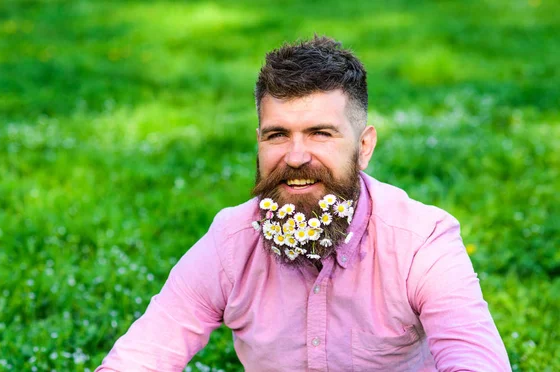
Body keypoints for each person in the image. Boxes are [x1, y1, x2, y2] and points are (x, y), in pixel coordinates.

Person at [96, 36, 511, 371]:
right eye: (278, 135)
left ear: (364, 147)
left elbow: (475, 358)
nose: (295, 156)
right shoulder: (230, 242)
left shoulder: (422, 242)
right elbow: (142, 356)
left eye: (320, 133)